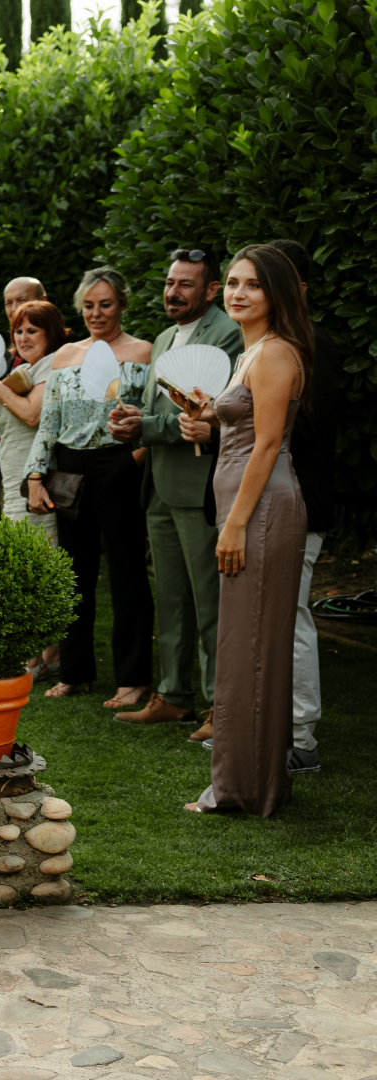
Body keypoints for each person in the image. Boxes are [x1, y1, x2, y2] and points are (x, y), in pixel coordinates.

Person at [179, 246, 310, 817]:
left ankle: (246, 788)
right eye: (231, 283)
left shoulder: (276, 351)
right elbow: (242, 424)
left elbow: (267, 443)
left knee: (252, 650)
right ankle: (242, 781)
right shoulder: (251, 349)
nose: (236, 292)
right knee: (241, 648)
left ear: (275, 293)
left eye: (251, 285)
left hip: (261, 513)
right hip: (246, 506)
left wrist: (233, 526)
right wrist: (207, 414)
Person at [106, 249, 244, 727]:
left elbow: (204, 412)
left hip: (198, 482)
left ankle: (216, 705)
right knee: (170, 597)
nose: (173, 292)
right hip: (159, 481)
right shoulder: (164, 336)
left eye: (186, 284)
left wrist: (145, 426)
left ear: (210, 289)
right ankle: (173, 694)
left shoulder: (226, 333)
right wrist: (131, 422)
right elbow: (157, 408)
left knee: (209, 601)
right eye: (170, 282)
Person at [24, 267, 154, 705]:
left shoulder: (143, 352)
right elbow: (49, 422)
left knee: (127, 575)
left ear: (122, 304)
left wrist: (138, 455)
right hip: (70, 469)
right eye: (89, 306)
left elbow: (153, 414)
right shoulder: (64, 356)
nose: (97, 313)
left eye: (106, 304)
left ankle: (132, 679)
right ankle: (75, 671)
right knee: (72, 576)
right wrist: (36, 476)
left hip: (120, 465)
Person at [267, 239, 339, 772]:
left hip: (299, 499)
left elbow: (308, 428)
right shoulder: (270, 343)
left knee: (292, 618)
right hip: (268, 499)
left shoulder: (314, 343)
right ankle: (270, 728)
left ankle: (301, 736)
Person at [0, 299, 66, 678]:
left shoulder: (54, 364)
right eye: (18, 331)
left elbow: (32, 414)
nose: (23, 338)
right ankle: (37, 652)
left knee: (39, 560)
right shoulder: (21, 368)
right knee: (22, 561)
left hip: (38, 476)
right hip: (12, 476)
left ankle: (47, 655)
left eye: (32, 331)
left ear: (50, 334)